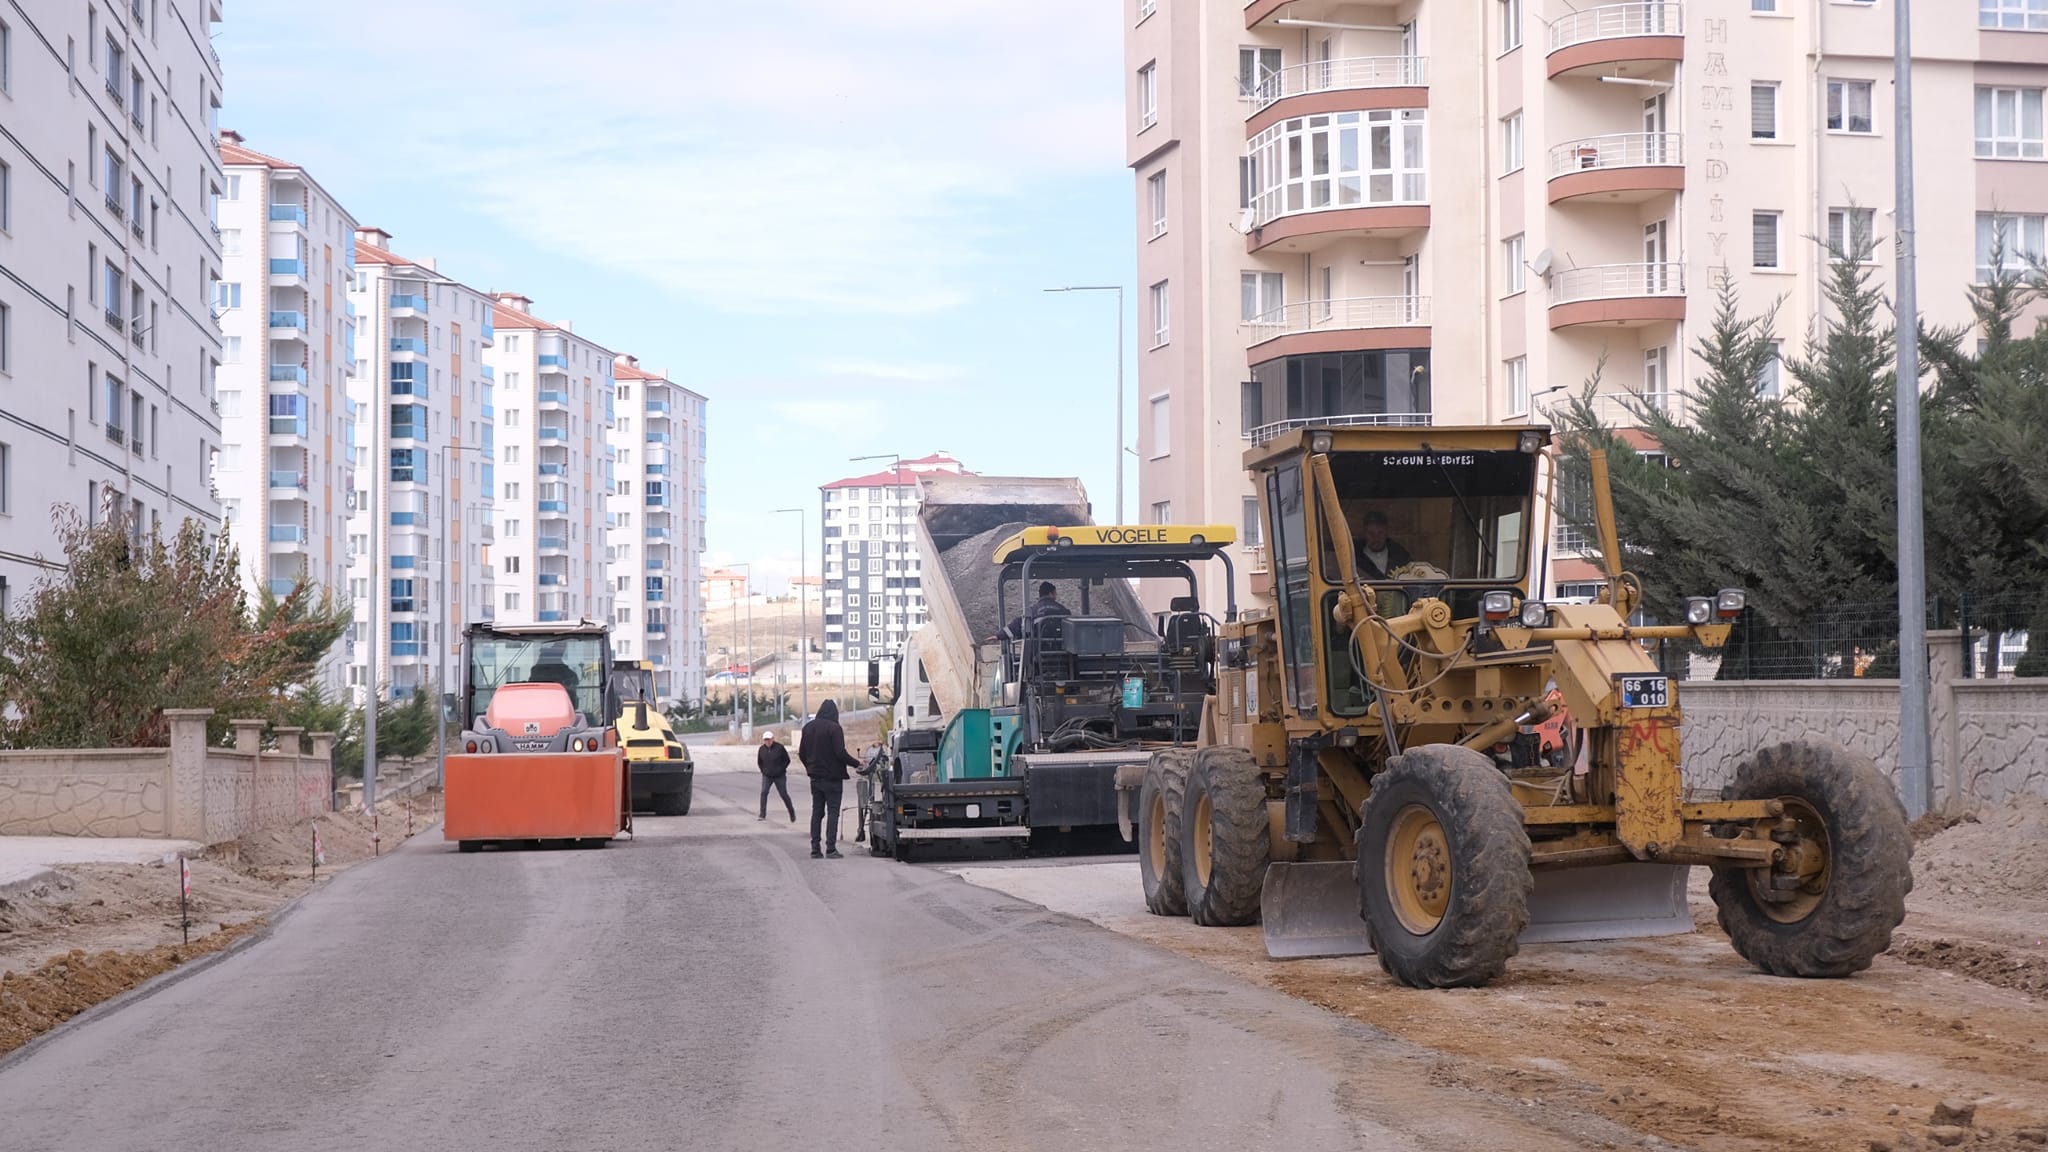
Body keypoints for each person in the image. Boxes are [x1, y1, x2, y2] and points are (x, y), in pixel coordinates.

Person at [797, 699, 861, 858]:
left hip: (815, 778)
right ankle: (831, 848)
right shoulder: (834, 728)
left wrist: (810, 768)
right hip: (833, 778)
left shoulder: (808, 728)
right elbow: (840, 752)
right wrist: (856, 764)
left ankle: (815, 849)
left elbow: (801, 753)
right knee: (833, 812)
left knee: (817, 812)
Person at [1000, 582, 1071, 641]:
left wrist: (999, 635)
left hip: (1037, 650)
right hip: (1060, 648)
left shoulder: (1032, 610)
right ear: (1050, 593)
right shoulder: (1062, 610)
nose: (1056, 595)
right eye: (1055, 593)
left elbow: (1017, 624)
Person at [1356, 510, 1414, 580]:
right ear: (1364, 533)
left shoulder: (1400, 557)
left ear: (1386, 532)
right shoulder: (1355, 560)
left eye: (1380, 533)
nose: (1376, 538)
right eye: (1371, 533)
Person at [757, 730, 795, 822]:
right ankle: (762, 814)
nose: (767, 742)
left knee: (783, 794)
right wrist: (763, 771)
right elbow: (760, 762)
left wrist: (781, 770)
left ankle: (791, 812)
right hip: (767, 776)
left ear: (773, 739)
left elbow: (787, 760)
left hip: (779, 776)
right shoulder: (762, 749)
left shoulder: (780, 748)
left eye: (769, 739)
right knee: (764, 792)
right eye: (766, 740)